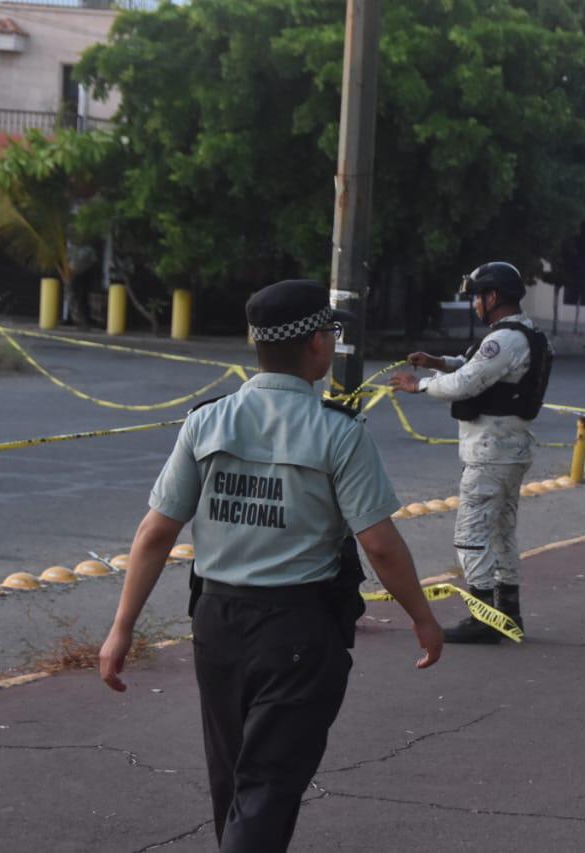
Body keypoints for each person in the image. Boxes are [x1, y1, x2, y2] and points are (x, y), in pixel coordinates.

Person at [99, 280, 444, 852]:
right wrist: (423, 618)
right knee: (267, 789)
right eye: (331, 334)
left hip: (215, 622)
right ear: (315, 344)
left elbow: (156, 531)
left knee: (234, 781)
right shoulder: (339, 432)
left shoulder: (206, 422)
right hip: (297, 631)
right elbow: (380, 545)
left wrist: (121, 627)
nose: (333, 344)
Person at [389, 262, 553, 643]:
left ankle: (482, 617)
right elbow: (479, 367)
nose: (475, 303)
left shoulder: (505, 339)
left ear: (492, 297)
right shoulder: (523, 334)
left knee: (469, 534)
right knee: (501, 532)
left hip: (490, 452)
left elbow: (466, 383)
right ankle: (507, 612)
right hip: (509, 448)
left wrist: (421, 385)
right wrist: (438, 362)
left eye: (478, 296)